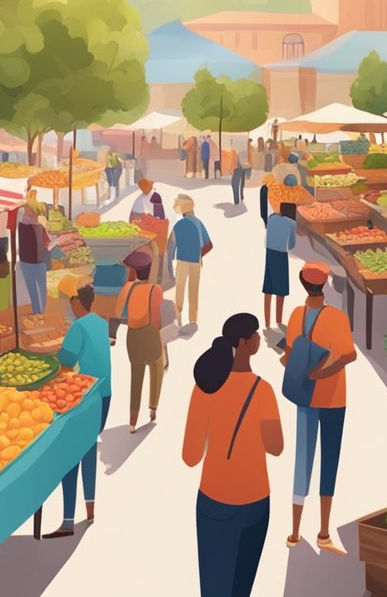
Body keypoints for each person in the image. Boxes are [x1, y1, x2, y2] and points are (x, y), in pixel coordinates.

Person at [184, 313, 283, 597]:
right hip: (256, 502)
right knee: (241, 589)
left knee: (215, 588)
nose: (258, 340)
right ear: (244, 342)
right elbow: (276, 447)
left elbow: (190, 456)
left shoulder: (205, 388)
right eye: (254, 335)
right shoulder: (263, 391)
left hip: (214, 501)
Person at [282, 262, 356, 555]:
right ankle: (324, 532)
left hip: (304, 398)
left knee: (302, 460)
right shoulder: (336, 318)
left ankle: (295, 532)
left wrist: (307, 372)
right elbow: (347, 356)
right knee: (329, 461)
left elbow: (289, 354)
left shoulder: (296, 315)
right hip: (334, 398)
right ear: (324, 286)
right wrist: (323, 373)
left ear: (302, 284)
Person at [43, 285, 112, 538]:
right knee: (89, 448)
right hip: (104, 395)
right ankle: (90, 510)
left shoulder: (78, 327)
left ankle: (68, 522)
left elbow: (66, 363)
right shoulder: (100, 323)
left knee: (70, 455)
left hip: (84, 397)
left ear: (76, 302)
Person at [116, 251, 167, 432]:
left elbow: (117, 313)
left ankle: (132, 421)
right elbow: (157, 319)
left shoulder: (127, 288)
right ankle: (152, 408)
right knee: (157, 369)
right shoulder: (155, 290)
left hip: (133, 336)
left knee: (135, 378)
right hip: (150, 334)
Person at [172, 194, 212, 329]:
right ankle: (193, 320)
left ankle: (178, 318)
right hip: (196, 262)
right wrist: (198, 255)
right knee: (194, 291)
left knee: (179, 290)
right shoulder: (198, 223)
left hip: (182, 261)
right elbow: (209, 245)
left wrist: (169, 261)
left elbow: (171, 246)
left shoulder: (178, 225)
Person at [262, 202, 298, 328]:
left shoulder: (271, 218)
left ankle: (267, 322)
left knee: (268, 287)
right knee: (280, 289)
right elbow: (292, 245)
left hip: (269, 253)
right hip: (281, 255)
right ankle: (278, 320)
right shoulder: (292, 223)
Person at [17, 203, 50, 315]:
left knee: (33, 289)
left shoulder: (22, 224)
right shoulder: (38, 226)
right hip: (37, 262)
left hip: (26, 261)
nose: (27, 212)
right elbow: (47, 244)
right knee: (41, 288)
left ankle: (37, 312)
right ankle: (41, 312)